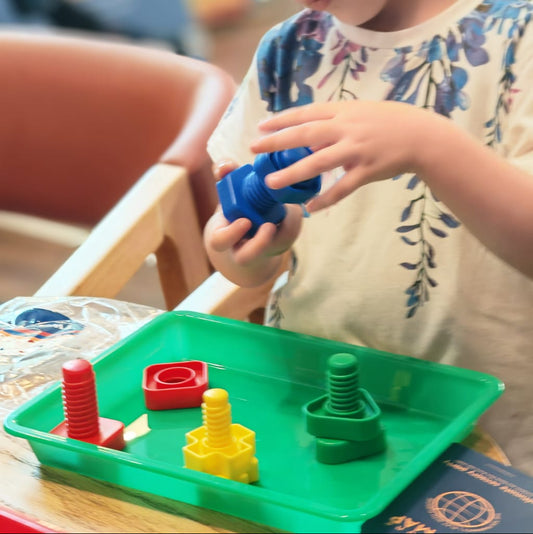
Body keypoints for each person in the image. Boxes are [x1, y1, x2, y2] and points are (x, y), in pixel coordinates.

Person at [204, 0, 533, 474]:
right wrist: (252, 246)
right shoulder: (290, 47)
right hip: (318, 403)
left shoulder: (519, 35)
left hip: (487, 431)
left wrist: (429, 145)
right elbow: (237, 246)